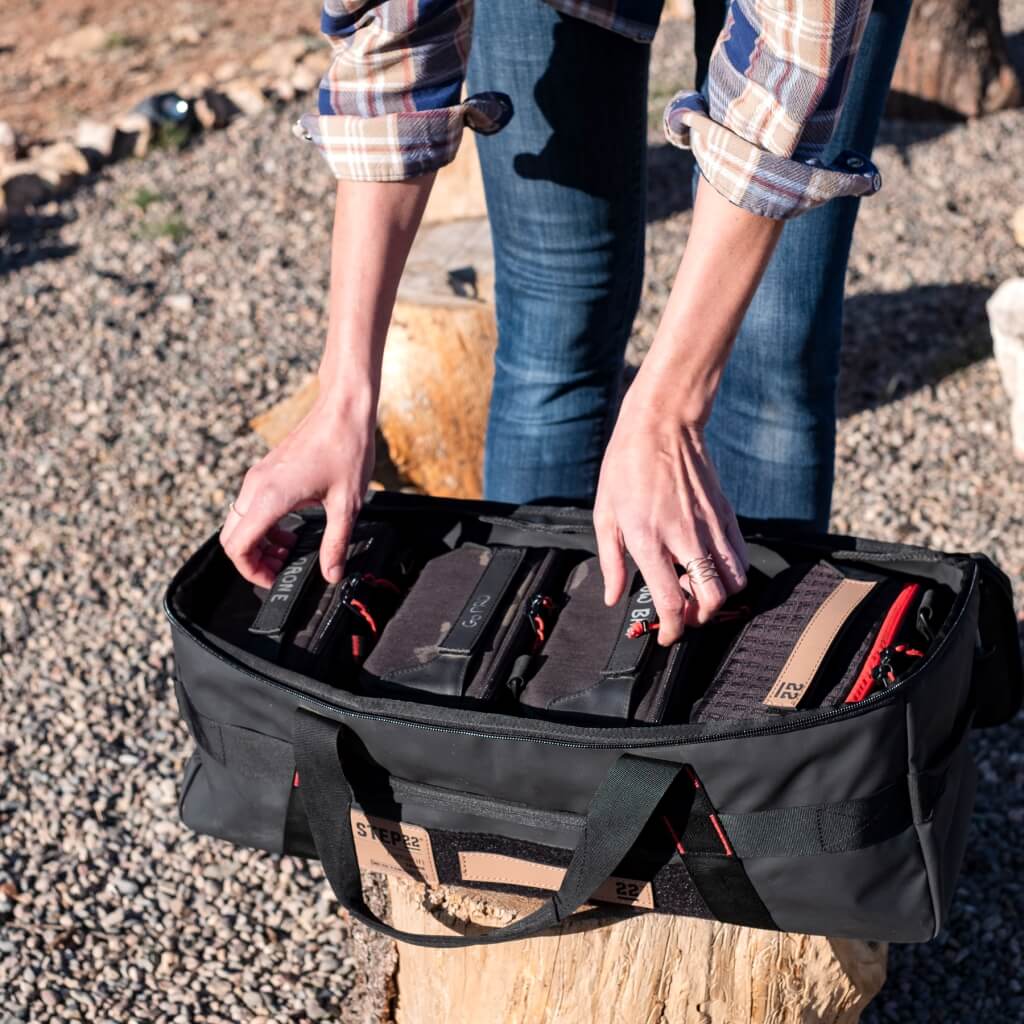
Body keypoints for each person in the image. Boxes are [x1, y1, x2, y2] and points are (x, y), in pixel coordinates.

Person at [219, 0, 911, 644]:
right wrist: (342, 398)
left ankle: (747, 701)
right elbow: (392, 38)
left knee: (773, 346)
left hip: (807, 25)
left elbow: (791, 72)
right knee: (551, 333)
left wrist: (667, 414)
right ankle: (522, 700)